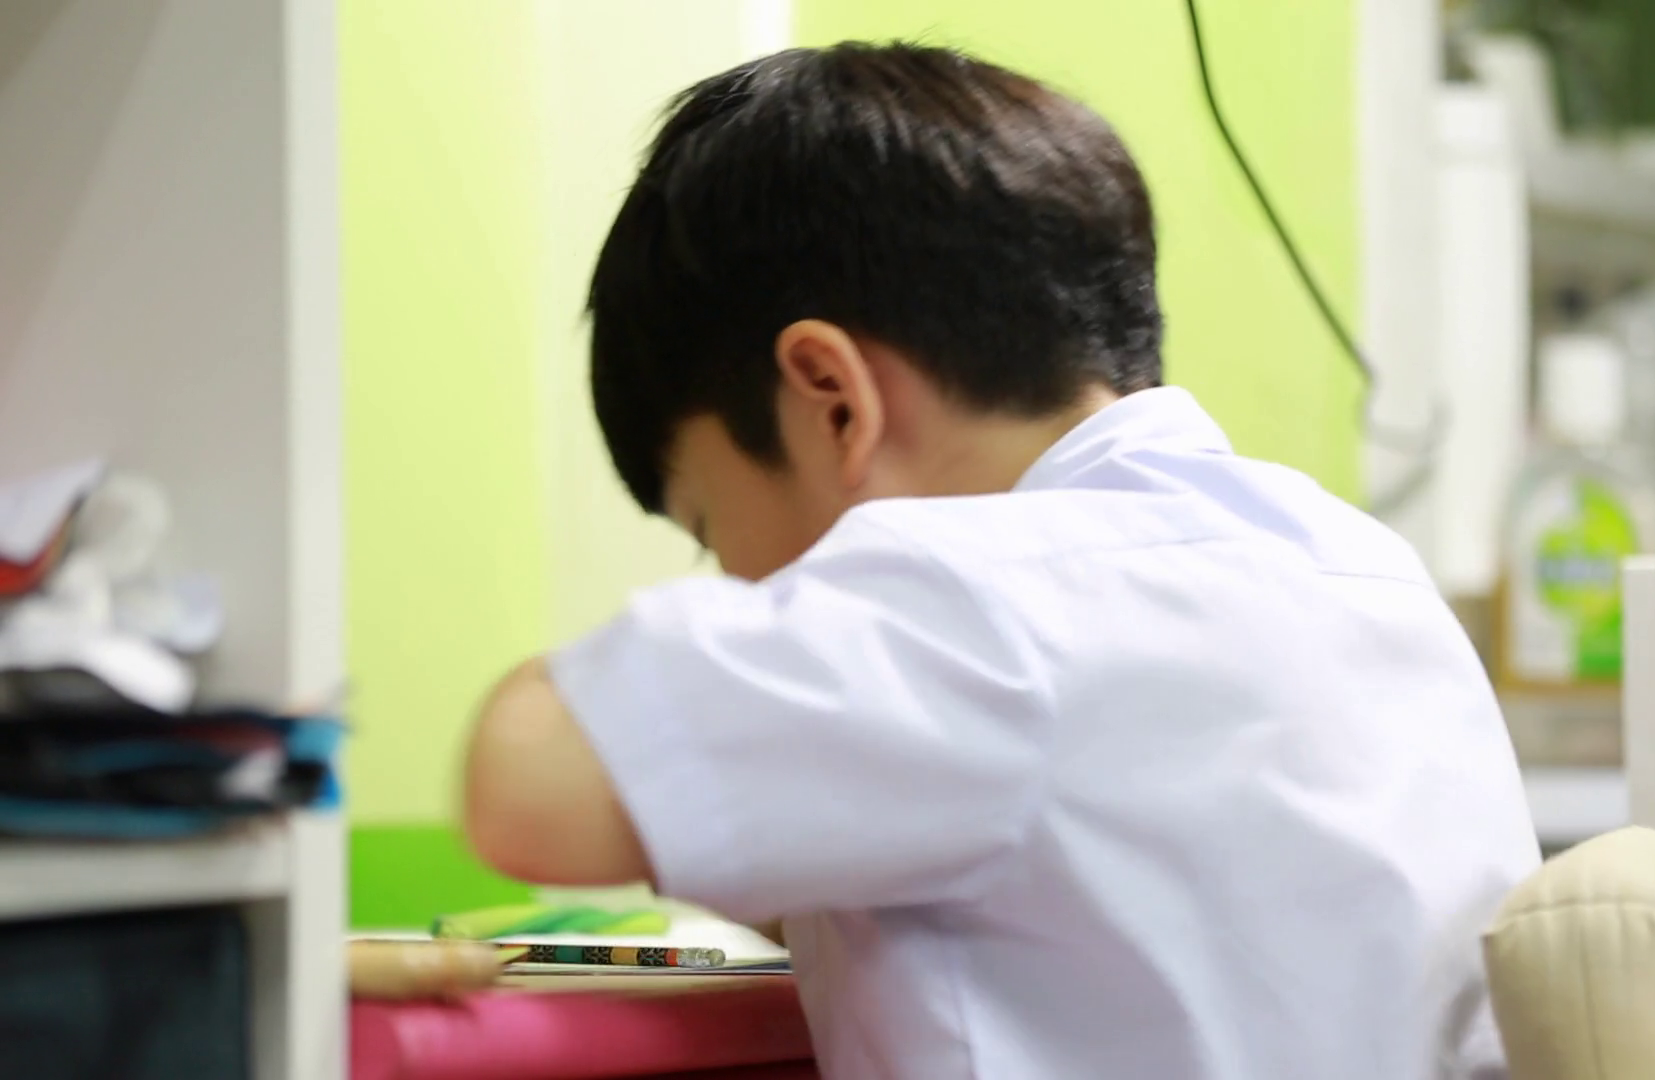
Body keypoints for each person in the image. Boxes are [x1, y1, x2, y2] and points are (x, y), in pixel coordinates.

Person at [462, 41, 1540, 1079]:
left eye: (712, 529)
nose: (735, 583)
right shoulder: (1355, 565)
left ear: (832, 403)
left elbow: (525, 785)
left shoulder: (974, 592)